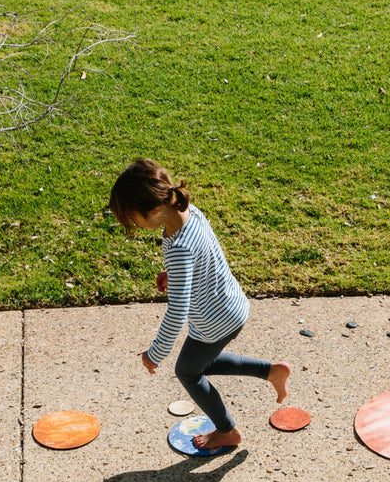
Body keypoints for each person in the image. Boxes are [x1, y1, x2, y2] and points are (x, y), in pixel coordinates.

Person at [108, 158, 290, 450]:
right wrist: (175, 276)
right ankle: (271, 372)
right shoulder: (190, 212)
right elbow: (203, 254)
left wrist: (155, 353)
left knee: (188, 372)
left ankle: (227, 431)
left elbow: (177, 312)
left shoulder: (178, 248)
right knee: (201, 362)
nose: (134, 225)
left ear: (153, 210)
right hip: (231, 305)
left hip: (213, 321)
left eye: (133, 219)